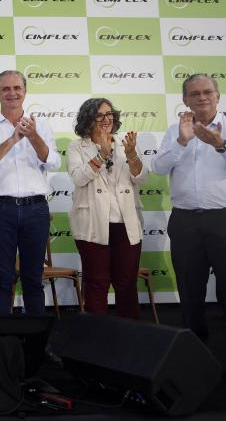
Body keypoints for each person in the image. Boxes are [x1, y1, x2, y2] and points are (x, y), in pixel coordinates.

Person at [153, 74, 226, 382]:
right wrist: (182, 140)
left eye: (207, 92)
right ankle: (196, 362)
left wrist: (221, 145)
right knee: (190, 294)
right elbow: (159, 167)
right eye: (195, 93)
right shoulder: (175, 131)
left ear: (218, 97)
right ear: (186, 100)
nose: (202, 97)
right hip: (186, 220)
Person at [0, 70, 60, 314]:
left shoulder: (41, 126)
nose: (12, 93)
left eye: (17, 88)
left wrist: (33, 137)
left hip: (36, 209)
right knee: (2, 275)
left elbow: (53, 162)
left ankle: (36, 341)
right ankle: (1, 340)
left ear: (25, 91)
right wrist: (13, 139)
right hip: (2, 209)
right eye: (6, 89)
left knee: (34, 277)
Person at [66, 98, 147, 318]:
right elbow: (79, 178)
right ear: (88, 119)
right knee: (96, 282)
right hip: (92, 224)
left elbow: (141, 178)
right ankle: (97, 340)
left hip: (125, 223)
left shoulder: (124, 143)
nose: (106, 119)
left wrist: (132, 156)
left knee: (127, 284)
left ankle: (129, 336)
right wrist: (101, 154)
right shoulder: (76, 147)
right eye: (99, 115)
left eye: (109, 114)